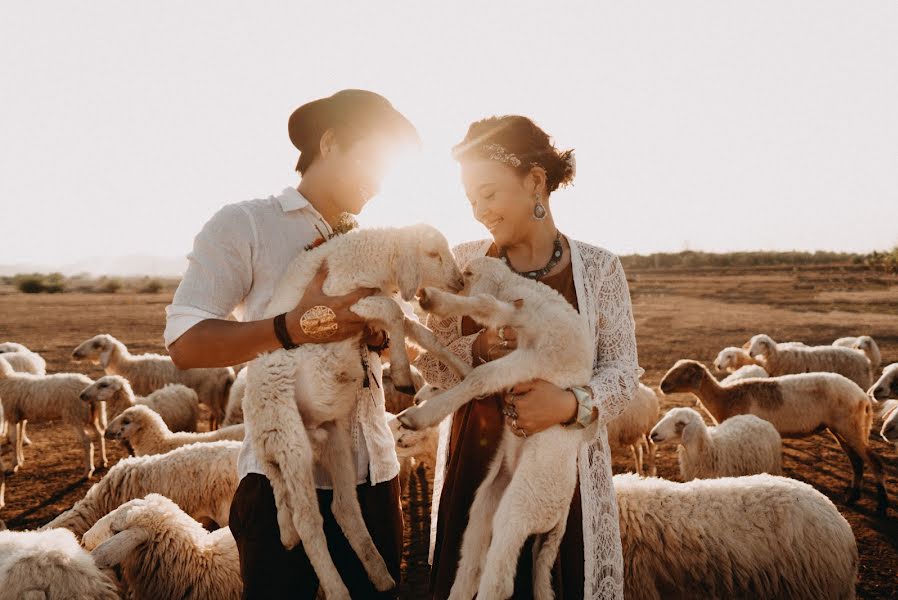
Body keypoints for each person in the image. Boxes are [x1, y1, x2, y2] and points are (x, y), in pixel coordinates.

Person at [164, 89, 419, 599]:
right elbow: (185, 343)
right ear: (330, 143)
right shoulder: (245, 223)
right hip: (280, 479)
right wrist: (294, 327)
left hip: (375, 472)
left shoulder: (371, 243)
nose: (380, 181)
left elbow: (397, 352)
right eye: (373, 159)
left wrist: (380, 340)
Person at [416, 115, 643, 600]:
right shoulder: (463, 261)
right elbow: (433, 362)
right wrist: (476, 349)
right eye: (471, 199)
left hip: (563, 477)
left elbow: (622, 370)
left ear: (535, 181)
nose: (479, 210)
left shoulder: (599, 270)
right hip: (477, 469)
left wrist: (570, 404)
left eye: (489, 193)